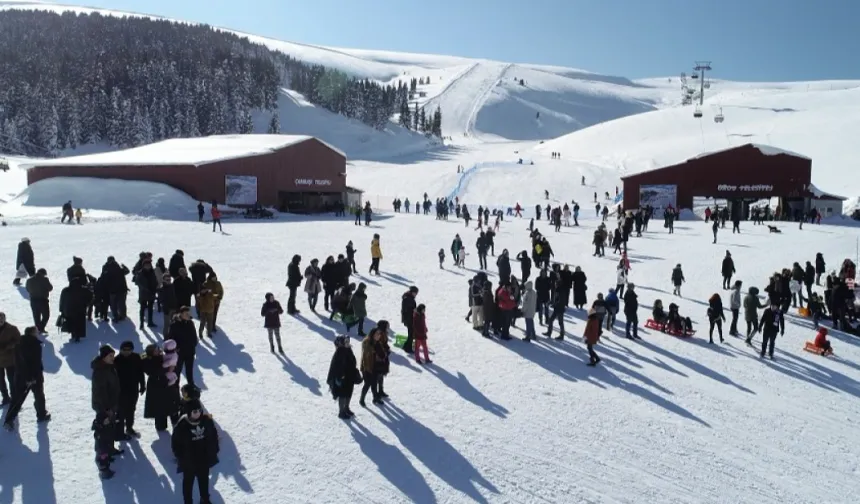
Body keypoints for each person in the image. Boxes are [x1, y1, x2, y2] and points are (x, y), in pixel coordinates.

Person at [172, 398, 220, 504]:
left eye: (199, 410)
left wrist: (214, 450)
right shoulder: (182, 424)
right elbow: (176, 443)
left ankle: (205, 499)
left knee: (204, 480)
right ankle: (188, 501)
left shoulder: (206, 421)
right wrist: (180, 456)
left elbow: (213, 436)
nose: (198, 413)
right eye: (194, 411)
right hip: (189, 461)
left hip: (203, 458)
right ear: (189, 412)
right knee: (188, 482)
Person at [2, 326, 50, 430]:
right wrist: (31, 377)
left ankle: (9, 419)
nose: (37, 333)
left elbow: (19, 362)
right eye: (36, 331)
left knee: (17, 398)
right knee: (39, 396)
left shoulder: (18, 344)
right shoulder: (35, 345)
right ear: (32, 333)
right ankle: (41, 415)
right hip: (34, 376)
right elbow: (35, 363)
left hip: (20, 375)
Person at [91, 345, 120, 457]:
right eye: (110, 356)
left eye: (113, 355)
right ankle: (102, 457)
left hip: (111, 406)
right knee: (102, 432)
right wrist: (106, 409)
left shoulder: (109, 367)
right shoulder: (100, 371)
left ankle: (110, 449)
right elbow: (99, 393)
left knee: (110, 430)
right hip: (103, 407)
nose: (113, 358)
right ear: (103, 357)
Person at [114, 341, 146, 438]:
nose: (127, 352)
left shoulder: (136, 357)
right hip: (120, 390)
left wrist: (143, 385)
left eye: (129, 350)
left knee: (131, 409)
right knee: (120, 411)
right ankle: (119, 431)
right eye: (124, 350)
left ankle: (129, 427)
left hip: (133, 388)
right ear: (121, 350)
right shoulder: (116, 360)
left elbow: (141, 372)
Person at [326, 335, 359, 419]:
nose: (348, 343)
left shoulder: (348, 349)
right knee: (343, 395)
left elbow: (352, 360)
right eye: (346, 342)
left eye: (348, 341)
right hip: (343, 378)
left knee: (349, 393)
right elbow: (337, 366)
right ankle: (341, 412)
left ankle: (346, 408)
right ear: (342, 343)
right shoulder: (339, 352)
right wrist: (341, 376)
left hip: (350, 375)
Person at [168, 307, 199, 386]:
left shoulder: (190, 323)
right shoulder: (174, 324)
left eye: (189, 313)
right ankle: (175, 390)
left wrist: (193, 344)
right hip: (179, 353)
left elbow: (194, 336)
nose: (188, 315)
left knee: (190, 372)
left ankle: (191, 388)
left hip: (190, 352)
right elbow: (170, 339)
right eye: (186, 314)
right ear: (181, 314)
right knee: (177, 372)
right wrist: (177, 349)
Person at [0, 313, 21, 405]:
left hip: (10, 359)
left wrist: (8, 346)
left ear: (4, 319)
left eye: (1, 319)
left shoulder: (12, 329)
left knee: (12, 380)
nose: (0, 321)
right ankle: (5, 397)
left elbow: (19, 341)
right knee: (0, 381)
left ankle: (15, 398)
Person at [25, 268, 53, 334]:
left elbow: (27, 289)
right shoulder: (45, 280)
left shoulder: (29, 280)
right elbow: (50, 288)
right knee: (46, 315)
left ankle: (38, 329)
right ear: (43, 274)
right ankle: (41, 328)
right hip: (43, 300)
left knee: (36, 316)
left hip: (33, 300)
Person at [400, 286, 419, 353]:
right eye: (415, 293)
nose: (416, 294)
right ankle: (408, 348)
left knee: (411, 334)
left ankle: (406, 346)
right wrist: (414, 310)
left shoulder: (409, 297)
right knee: (411, 334)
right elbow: (406, 309)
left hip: (409, 318)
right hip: (409, 319)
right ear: (412, 292)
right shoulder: (408, 298)